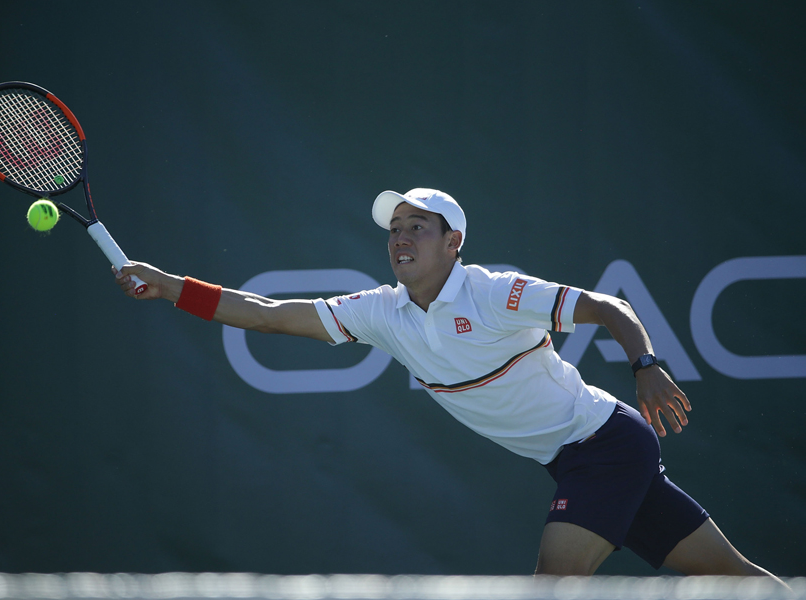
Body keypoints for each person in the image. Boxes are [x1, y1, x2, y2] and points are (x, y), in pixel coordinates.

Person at [114, 188, 784, 580]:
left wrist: (647, 364)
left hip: (606, 445)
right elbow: (265, 314)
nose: (401, 238)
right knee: (735, 583)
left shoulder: (494, 293)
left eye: (418, 228)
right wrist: (170, 288)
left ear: (453, 243)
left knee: (552, 588)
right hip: (580, 458)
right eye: (394, 230)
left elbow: (608, 307)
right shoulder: (379, 310)